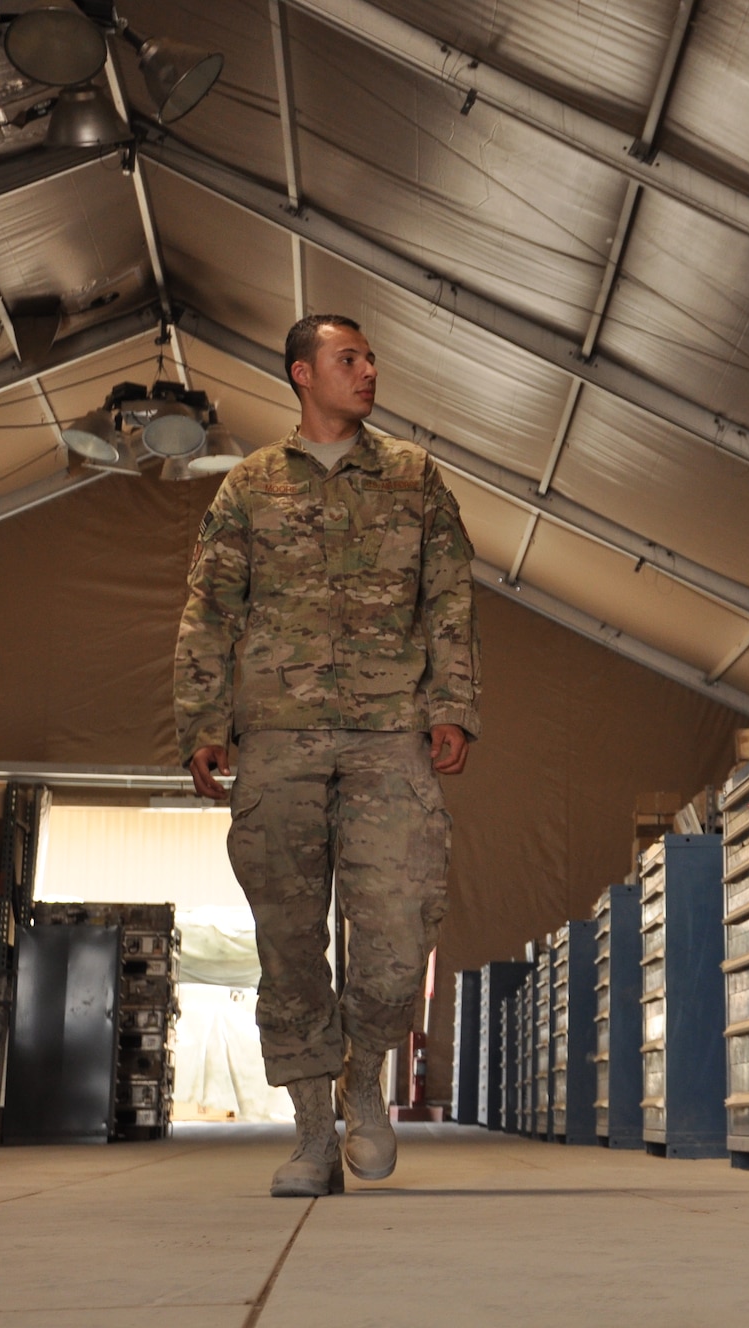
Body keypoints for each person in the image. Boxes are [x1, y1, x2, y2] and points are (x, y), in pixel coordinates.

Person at [173, 313, 479, 1197]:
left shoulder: (417, 480)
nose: (369, 369)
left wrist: (453, 705)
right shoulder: (249, 487)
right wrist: (201, 720)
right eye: (350, 358)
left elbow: (449, 600)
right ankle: (313, 1132)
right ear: (303, 373)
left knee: (396, 931)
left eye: (372, 355)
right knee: (291, 941)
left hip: (392, 734)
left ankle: (366, 1085)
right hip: (277, 735)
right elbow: (210, 611)